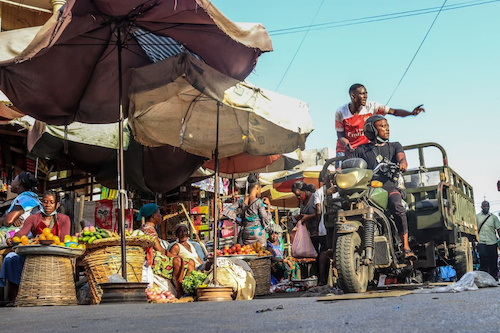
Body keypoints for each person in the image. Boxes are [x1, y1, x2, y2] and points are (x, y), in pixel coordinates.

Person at [351, 115, 416, 259]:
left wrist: (402, 163)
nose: (387, 129)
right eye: (382, 126)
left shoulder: (394, 146)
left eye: (387, 126)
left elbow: (401, 157)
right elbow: (351, 163)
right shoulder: (362, 150)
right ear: (372, 129)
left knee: (397, 205)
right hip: (367, 189)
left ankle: (405, 246)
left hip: (389, 187)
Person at [0, 190, 70, 303]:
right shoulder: (33, 218)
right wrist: (13, 239)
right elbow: (21, 234)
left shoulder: (64, 219)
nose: (47, 205)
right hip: (33, 254)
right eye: (45, 202)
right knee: (10, 258)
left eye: (51, 202)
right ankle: (15, 297)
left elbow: (63, 240)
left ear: (57, 204)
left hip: (55, 254)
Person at [335, 83, 425, 166]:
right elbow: (340, 135)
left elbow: (394, 111)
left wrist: (411, 113)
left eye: (366, 93)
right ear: (353, 96)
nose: (365, 96)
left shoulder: (372, 106)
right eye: (362, 94)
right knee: (341, 176)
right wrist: (347, 145)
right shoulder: (341, 112)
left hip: (365, 149)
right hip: (346, 150)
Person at [138, 203, 194, 296]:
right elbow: (159, 249)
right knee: (179, 261)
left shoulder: (149, 228)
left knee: (190, 262)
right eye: (159, 214)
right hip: (154, 259)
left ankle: (186, 289)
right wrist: (174, 256)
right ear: (153, 216)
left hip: (156, 257)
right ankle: (180, 290)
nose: (160, 216)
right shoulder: (149, 229)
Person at [0, 172, 41, 247]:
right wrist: (10, 218)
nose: (12, 182)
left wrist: (7, 219)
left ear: (18, 184)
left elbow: (8, 221)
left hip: (19, 237)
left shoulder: (25, 198)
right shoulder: (31, 197)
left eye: (14, 179)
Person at [233, 173, 272, 247]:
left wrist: (237, 220)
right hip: (258, 233)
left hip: (246, 232)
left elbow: (230, 210)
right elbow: (265, 218)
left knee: (247, 252)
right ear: (257, 187)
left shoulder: (241, 200)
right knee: (261, 253)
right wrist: (269, 206)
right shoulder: (258, 202)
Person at [291, 180, 327, 254]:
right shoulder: (301, 202)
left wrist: (308, 217)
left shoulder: (314, 197)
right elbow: (303, 213)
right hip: (308, 234)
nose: (298, 197)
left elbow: (320, 213)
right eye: (296, 195)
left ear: (305, 191)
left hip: (317, 232)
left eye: (299, 194)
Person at [476, 201, 500, 279]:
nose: (486, 207)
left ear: (489, 207)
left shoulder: (494, 217)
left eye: (487, 206)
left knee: (493, 259)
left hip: (492, 241)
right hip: (481, 241)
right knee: (483, 257)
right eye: (484, 206)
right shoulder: (477, 217)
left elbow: (498, 229)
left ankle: (494, 276)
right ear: (481, 207)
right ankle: (484, 276)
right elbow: (475, 229)